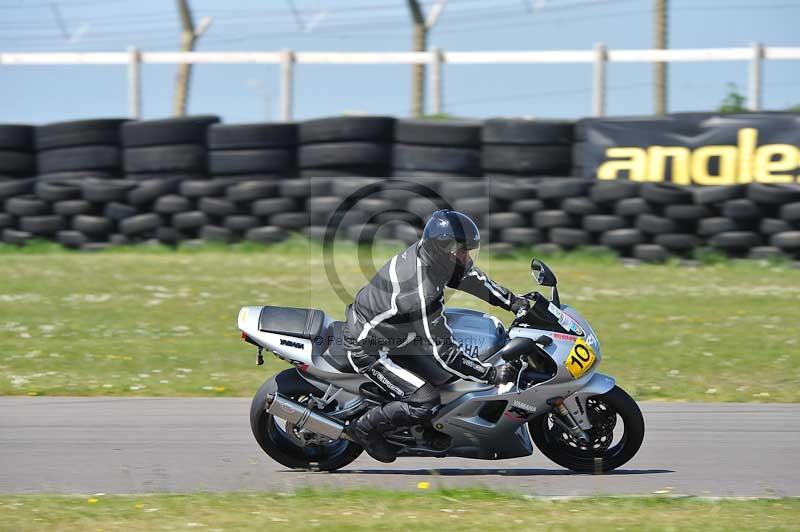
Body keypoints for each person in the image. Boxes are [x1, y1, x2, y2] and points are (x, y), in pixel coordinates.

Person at [342, 209, 530, 463]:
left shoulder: (431, 255)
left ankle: (428, 427)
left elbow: (472, 279)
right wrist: (490, 374)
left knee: (446, 377)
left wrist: (514, 302)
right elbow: (446, 354)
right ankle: (365, 429)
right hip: (370, 348)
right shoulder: (422, 292)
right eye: (461, 251)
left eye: (467, 250)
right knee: (425, 401)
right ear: (443, 248)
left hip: (398, 334)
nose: (466, 257)